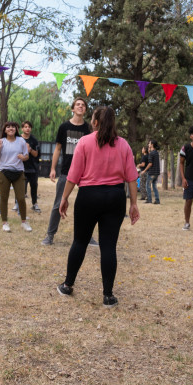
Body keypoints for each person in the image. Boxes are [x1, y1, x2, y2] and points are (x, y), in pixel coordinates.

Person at [56, 106, 140, 306]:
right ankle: (108, 295)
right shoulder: (124, 145)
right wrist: (134, 204)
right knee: (109, 246)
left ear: (94, 122)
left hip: (88, 197)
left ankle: (67, 285)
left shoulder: (84, 142)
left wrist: (64, 198)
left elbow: (73, 175)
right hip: (115, 198)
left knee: (80, 242)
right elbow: (132, 178)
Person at [42, 97, 93, 245]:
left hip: (86, 173)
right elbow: (57, 149)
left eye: (83, 105)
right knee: (58, 204)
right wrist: (52, 168)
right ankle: (50, 236)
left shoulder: (88, 129)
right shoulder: (64, 127)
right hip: (66, 171)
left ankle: (88, 237)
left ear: (85, 110)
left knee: (88, 206)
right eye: (78, 104)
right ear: (73, 108)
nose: (80, 106)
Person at [0, 121, 32, 232]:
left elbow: (26, 156)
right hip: (4, 172)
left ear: (16, 129)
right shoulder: (1, 142)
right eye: (8, 127)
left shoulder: (21, 141)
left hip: (18, 172)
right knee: (4, 198)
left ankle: (24, 222)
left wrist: (22, 157)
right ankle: (5, 223)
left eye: (13, 127)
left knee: (20, 198)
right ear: (5, 130)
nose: (11, 128)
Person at [21, 121, 41, 213]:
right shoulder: (18, 139)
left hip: (33, 168)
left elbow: (36, 154)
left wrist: (29, 150)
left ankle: (35, 204)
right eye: (25, 127)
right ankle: (18, 204)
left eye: (29, 127)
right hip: (21, 168)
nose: (27, 128)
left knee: (34, 186)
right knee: (20, 187)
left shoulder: (34, 140)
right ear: (22, 129)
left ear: (31, 129)